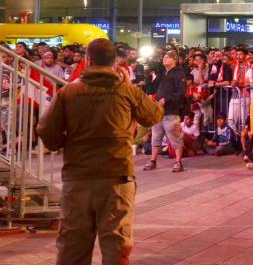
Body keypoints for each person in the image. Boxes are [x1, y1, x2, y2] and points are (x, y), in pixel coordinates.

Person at [37, 38, 163, 265]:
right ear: (115, 62)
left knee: (72, 248)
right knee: (116, 247)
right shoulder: (127, 90)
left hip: (78, 179)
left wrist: (64, 142)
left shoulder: (68, 92)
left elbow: (46, 131)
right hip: (117, 177)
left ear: (88, 60)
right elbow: (153, 115)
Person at [142, 50, 187, 172]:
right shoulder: (162, 74)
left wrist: (166, 99)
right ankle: (153, 161)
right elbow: (152, 89)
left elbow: (181, 93)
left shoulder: (179, 73)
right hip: (158, 112)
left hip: (171, 111)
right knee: (155, 138)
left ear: (174, 59)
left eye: (167, 57)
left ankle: (178, 162)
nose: (164, 59)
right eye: (164, 57)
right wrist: (147, 77)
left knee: (175, 138)